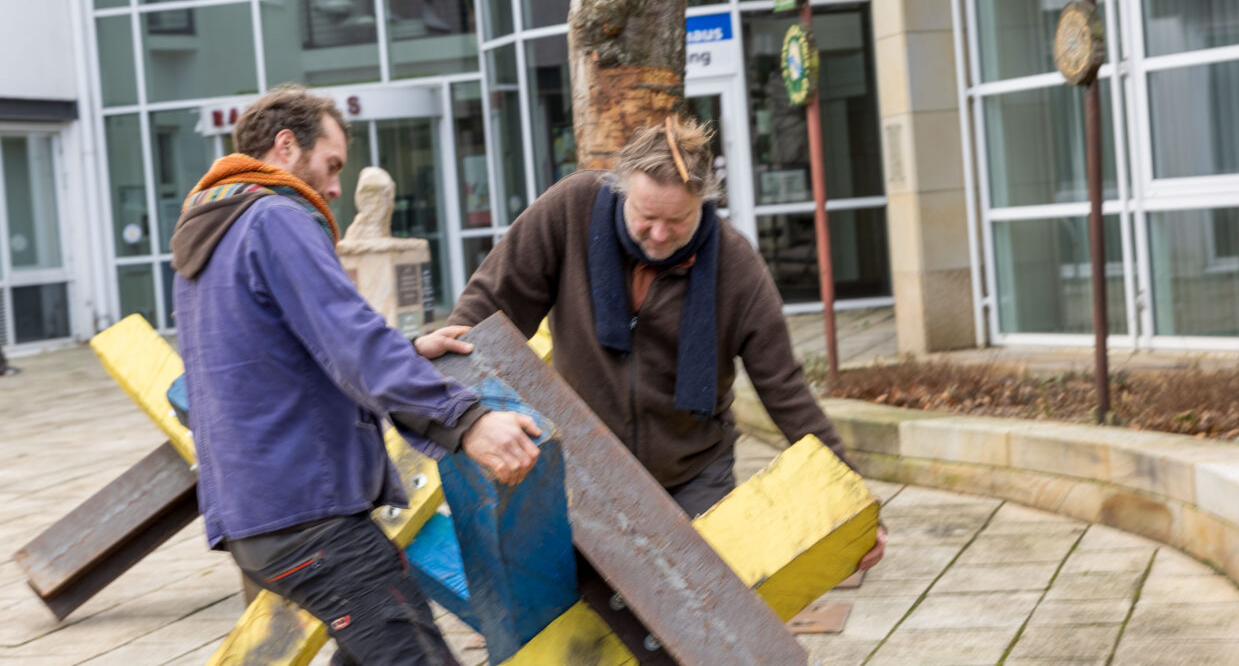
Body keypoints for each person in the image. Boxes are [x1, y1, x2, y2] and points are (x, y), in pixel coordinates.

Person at [170, 84, 541, 666]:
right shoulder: (275, 216)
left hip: (256, 515)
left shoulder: (213, 234)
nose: (338, 188)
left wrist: (409, 350)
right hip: (309, 516)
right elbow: (350, 341)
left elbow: (281, 352)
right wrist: (465, 420)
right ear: (286, 147)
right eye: (332, 164)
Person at [421, 116, 885, 570]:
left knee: (704, 614)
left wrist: (855, 500)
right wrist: (447, 380)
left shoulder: (737, 268)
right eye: (646, 217)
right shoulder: (571, 211)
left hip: (692, 471)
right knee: (588, 616)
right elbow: (489, 304)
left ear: (703, 203)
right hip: (583, 469)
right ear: (622, 187)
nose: (660, 235)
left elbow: (787, 392)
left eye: (678, 220)